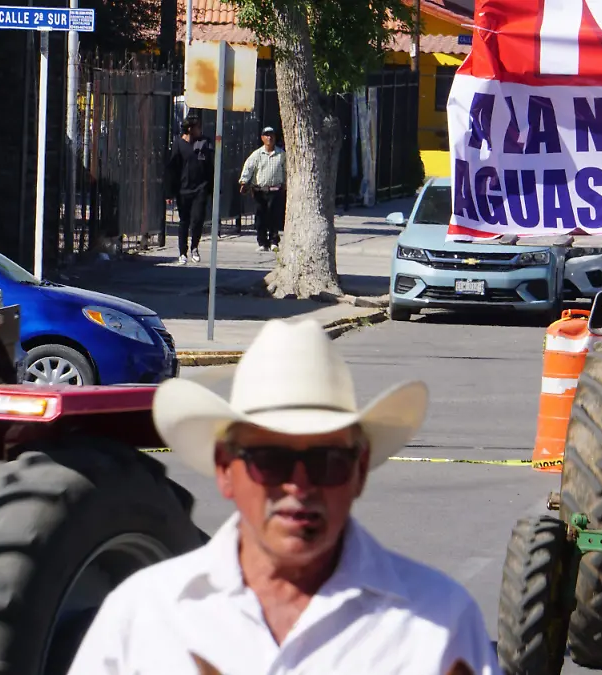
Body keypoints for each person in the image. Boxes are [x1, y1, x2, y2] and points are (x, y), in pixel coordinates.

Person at [66, 319, 500, 675]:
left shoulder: (440, 622)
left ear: (359, 470)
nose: (299, 485)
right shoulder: (146, 614)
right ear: (225, 469)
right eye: (270, 460)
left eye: (326, 460)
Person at [167, 114, 215, 265]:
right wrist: (169, 192)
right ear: (190, 129)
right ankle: (182, 252)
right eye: (197, 127)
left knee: (198, 219)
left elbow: (210, 166)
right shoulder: (179, 144)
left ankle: (195, 247)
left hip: (200, 188)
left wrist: (211, 188)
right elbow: (172, 169)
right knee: (184, 221)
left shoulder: (204, 143)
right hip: (183, 189)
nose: (200, 130)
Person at [239, 126, 287, 253]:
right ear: (262, 138)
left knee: (274, 217)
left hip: (275, 190)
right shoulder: (257, 154)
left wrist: (286, 184)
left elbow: (286, 170)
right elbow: (248, 168)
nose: (269, 138)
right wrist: (244, 181)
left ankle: (273, 241)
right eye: (266, 135)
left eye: (271, 135)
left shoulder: (281, 154)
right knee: (261, 217)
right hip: (260, 190)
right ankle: (262, 242)